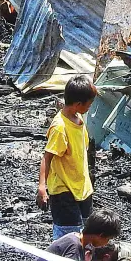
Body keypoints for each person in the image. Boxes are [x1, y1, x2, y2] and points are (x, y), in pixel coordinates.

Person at [37, 75, 99, 240]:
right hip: (64, 190)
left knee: (86, 234)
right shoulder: (60, 127)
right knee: (68, 237)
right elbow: (47, 157)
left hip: (82, 188)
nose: (89, 108)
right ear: (78, 104)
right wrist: (42, 187)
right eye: (89, 104)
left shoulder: (78, 119)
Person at [23, 209, 121, 261]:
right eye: (107, 239)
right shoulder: (75, 245)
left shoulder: (79, 240)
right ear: (100, 235)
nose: (106, 242)